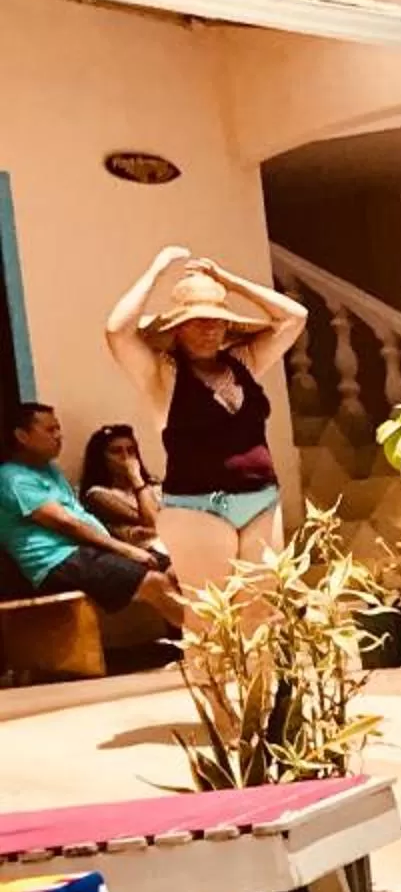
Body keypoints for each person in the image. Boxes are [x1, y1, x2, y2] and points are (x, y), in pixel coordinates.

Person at [104, 247, 307, 591]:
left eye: (217, 319)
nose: (209, 328)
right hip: (198, 507)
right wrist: (157, 271)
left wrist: (228, 281)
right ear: (178, 328)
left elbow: (295, 317)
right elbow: (117, 332)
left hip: (260, 501)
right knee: (209, 614)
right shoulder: (163, 374)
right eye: (197, 320)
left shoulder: (243, 362)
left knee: (261, 610)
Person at [0, 402, 183, 629]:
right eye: (50, 430)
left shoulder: (50, 470)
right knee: (153, 582)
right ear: (22, 436)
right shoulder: (13, 478)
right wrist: (125, 549)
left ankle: (189, 638)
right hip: (57, 561)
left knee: (175, 568)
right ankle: (207, 642)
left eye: (58, 429)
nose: (58, 436)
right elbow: (66, 524)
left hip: (88, 551)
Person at [78, 424, 161, 546]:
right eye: (116, 451)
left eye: (131, 450)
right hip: (147, 550)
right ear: (101, 457)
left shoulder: (152, 485)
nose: (126, 457)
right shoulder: (97, 494)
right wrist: (136, 478)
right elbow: (152, 521)